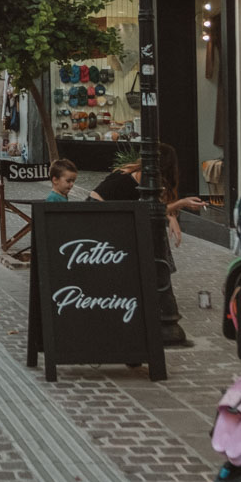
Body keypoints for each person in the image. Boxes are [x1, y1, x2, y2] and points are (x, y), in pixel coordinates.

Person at [88, 142, 206, 345]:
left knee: (154, 235)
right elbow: (151, 208)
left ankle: (160, 277)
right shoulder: (143, 176)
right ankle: (159, 281)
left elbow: (153, 206)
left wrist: (172, 217)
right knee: (152, 240)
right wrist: (180, 205)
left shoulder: (136, 170)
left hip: (102, 214)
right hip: (100, 218)